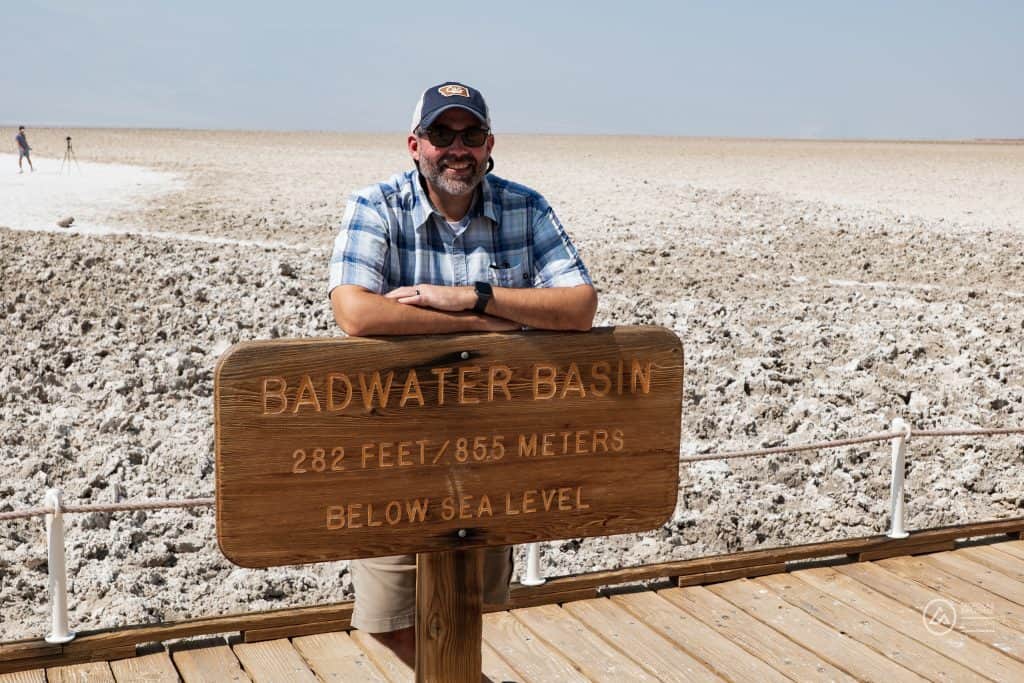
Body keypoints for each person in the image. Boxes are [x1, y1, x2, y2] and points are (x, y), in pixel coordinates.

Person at [327, 81, 597, 661]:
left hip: (490, 450)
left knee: (469, 606)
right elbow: (354, 312)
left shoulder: (526, 207)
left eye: (471, 135)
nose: (457, 148)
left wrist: (469, 296)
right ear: (415, 144)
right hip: (393, 451)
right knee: (385, 617)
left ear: (489, 144)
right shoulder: (376, 206)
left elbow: (578, 307)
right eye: (441, 134)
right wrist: (485, 323)